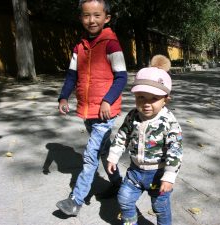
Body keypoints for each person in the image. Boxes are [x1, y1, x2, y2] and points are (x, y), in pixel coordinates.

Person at [56, 0, 127, 216]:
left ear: (106, 18)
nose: (91, 20)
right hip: (88, 111)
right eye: (87, 16)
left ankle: (76, 200)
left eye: (97, 15)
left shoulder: (112, 44)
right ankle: (118, 183)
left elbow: (121, 76)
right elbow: (72, 75)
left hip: (105, 112)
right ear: (81, 19)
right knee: (104, 150)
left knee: (90, 155)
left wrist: (107, 99)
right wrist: (63, 97)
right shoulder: (79, 47)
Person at [107, 55, 183, 225]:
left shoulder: (169, 122)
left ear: (165, 100)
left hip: (158, 174)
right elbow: (122, 136)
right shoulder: (133, 115)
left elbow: (175, 150)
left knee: (160, 207)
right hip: (135, 172)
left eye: (154, 98)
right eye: (141, 97)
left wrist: (169, 176)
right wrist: (113, 156)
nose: (146, 103)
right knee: (124, 199)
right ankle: (130, 222)